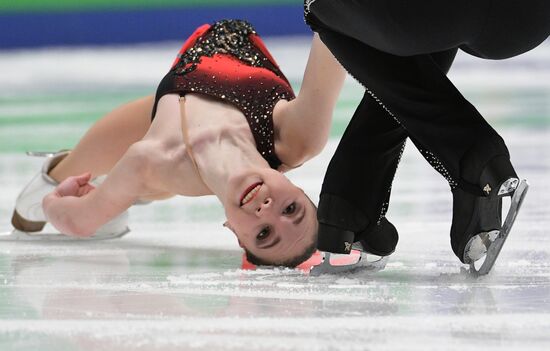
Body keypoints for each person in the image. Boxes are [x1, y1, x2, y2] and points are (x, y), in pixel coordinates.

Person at [11, 19, 346, 267]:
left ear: (235, 234)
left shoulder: (151, 160)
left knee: (36, 199)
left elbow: (78, 221)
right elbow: (339, 24)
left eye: (263, 235)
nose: (266, 211)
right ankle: (124, 195)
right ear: (299, 188)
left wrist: (55, 199)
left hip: (169, 108)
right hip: (220, 68)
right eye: (291, 210)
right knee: (146, 183)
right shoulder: (296, 137)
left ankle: (117, 192)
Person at [305, 1, 548, 269]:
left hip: (438, 15)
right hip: (528, 21)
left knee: (318, 6)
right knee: (425, 34)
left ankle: (471, 156)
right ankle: (351, 200)